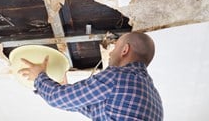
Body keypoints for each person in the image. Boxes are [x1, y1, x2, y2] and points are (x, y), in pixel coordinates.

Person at [18, 32, 163, 121]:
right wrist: (63, 90)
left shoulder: (118, 77)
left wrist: (39, 76)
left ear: (125, 50)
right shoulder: (155, 100)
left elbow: (58, 99)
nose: (111, 53)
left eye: (115, 47)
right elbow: (96, 110)